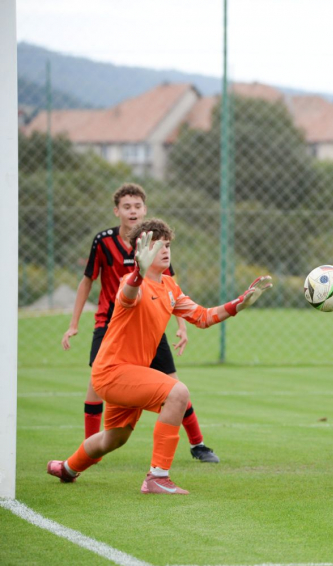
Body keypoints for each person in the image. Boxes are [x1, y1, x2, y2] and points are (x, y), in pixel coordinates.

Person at [48, 220, 272, 494]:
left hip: (129, 375)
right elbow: (128, 296)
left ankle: (67, 468)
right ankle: (157, 477)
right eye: (157, 245)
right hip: (111, 372)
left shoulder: (169, 286)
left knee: (114, 439)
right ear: (141, 251)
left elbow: (202, 317)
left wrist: (239, 303)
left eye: (167, 244)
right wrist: (138, 273)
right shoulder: (130, 283)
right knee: (178, 393)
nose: (166, 250)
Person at [61, 183, 219, 463]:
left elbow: (171, 290)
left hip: (149, 324)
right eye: (127, 206)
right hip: (110, 325)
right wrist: (74, 323)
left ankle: (198, 444)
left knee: (174, 385)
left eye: (137, 206)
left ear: (144, 209)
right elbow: (88, 279)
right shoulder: (103, 241)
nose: (132, 211)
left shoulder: (157, 242)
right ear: (117, 211)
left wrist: (181, 326)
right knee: (96, 383)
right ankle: (90, 450)